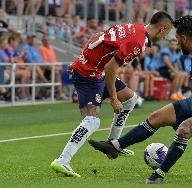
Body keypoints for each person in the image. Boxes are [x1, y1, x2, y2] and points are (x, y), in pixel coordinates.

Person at [88, 15, 192, 184]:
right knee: (156, 117)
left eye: (177, 39)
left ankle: (159, 174)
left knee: (184, 129)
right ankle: (115, 147)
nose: (176, 42)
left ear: (183, 37)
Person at [50, 11, 174, 177]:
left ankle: (114, 144)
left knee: (131, 99)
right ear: (162, 29)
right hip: (89, 74)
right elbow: (110, 67)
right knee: (92, 121)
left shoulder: (133, 27)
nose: (166, 37)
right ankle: (63, 160)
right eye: (167, 32)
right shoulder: (138, 42)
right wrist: (114, 98)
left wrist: (82, 57)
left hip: (96, 70)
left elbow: (98, 36)